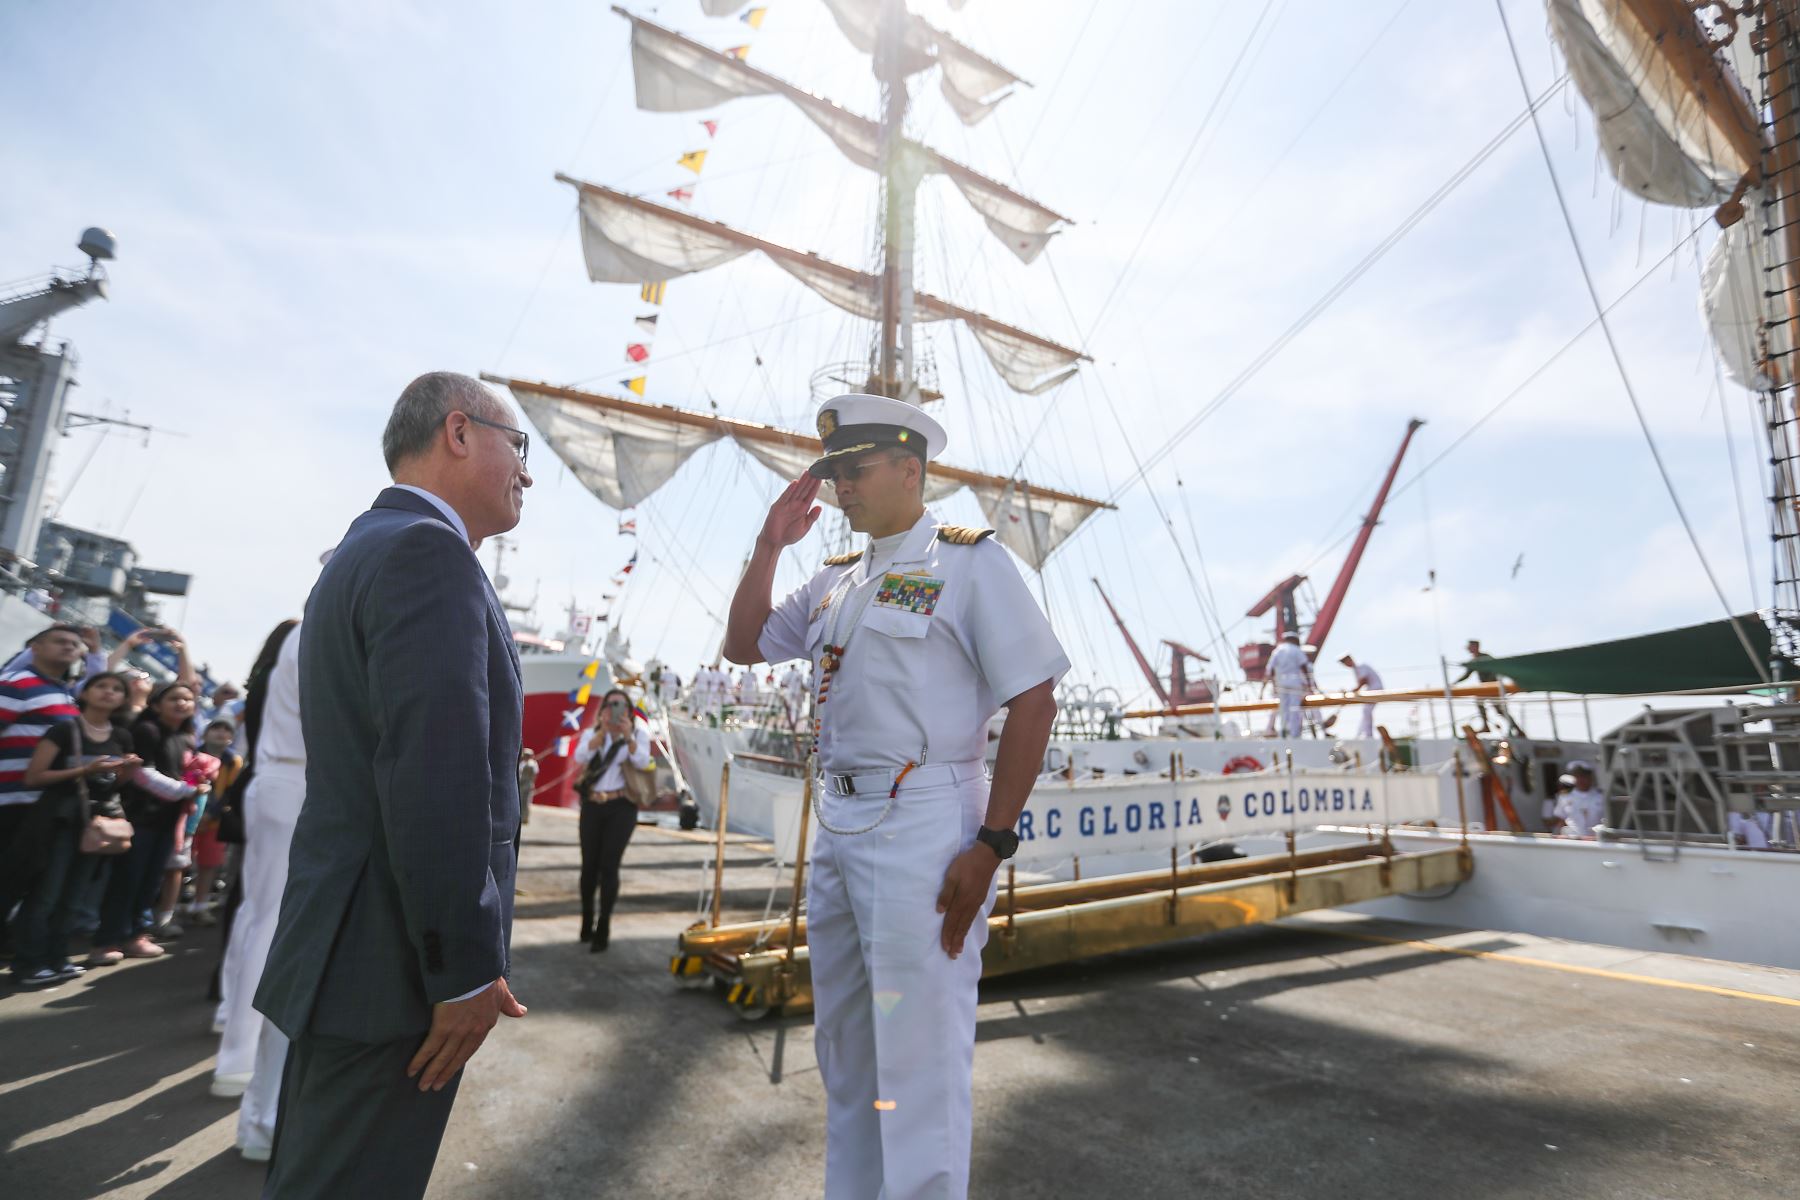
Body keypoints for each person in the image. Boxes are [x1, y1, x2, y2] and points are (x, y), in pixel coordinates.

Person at [725, 393, 1065, 1200]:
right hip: (841, 823)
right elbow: (744, 646)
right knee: (847, 1049)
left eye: (857, 469)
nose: (841, 486)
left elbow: (1036, 698)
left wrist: (991, 844)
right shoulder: (837, 578)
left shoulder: (969, 562)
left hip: (924, 822)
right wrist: (771, 543)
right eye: (835, 472)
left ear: (911, 471)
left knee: (917, 1055)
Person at [254, 371, 529, 1198]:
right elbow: (433, 778)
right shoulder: (426, 554)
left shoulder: (363, 550)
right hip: (393, 968)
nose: (524, 473)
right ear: (458, 432)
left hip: (352, 951)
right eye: (519, 447)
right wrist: (464, 970)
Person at [211, 618, 303, 1161]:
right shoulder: (318, 631)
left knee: (254, 916)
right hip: (296, 781)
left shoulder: (292, 638)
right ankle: (240, 1063)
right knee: (271, 926)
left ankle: (233, 1035)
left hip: (274, 782)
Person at [8, 672, 140, 987]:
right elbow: (34, 777)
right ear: (85, 693)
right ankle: (28, 962)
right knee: (47, 893)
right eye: (101, 686)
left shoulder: (121, 735)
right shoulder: (65, 729)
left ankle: (57, 957)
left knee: (75, 894)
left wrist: (126, 772)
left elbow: (115, 786)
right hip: (61, 821)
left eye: (116, 689)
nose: (109, 692)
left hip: (98, 824)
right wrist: (85, 769)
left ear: (123, 699)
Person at [93, 681, 207, 961]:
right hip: (140, 817)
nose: (182, 704)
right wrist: (186, 790)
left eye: (187, 699)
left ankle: (137, 935)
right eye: (174, 698)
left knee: (150, 880)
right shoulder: (146, 730)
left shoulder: (186, 737)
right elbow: (142, 775)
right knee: (127, 880)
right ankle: (107, 941)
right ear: (156, 704)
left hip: (169, 821)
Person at [572, 688, 652, 952]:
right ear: (603, 710)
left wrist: (627, 736)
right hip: (593, 805)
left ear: (629, 711)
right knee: (588, 867)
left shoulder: (638, 735)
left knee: (610, 866)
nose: (614, 710)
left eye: (620, 706)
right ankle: (586, 919)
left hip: (621, 807)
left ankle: (603, 926)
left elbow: (642, 761)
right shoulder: (594, 734)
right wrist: (602, 733)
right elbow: (579, 756)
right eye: (610, 705)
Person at [184, 718, 244, 926]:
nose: (221, 733)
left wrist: (213, 813)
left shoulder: (233, 761)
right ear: (205, 733)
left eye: (226, 730)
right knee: (181, 863)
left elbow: (230, 791)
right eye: (215, 728)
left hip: (215, 821)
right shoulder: (192, 754)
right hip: (188, 816)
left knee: (209, 864)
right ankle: (173, 906)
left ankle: (200, 906)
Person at [1266, 631, 1315, 739]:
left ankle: (1283, 733)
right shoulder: (1296, 650)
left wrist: (1274, 684)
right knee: (1294, 709)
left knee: (1283, 710)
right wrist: (1309, 684)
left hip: (1281, 684)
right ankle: (1294, 735)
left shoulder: (1277, 651)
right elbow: (1304, 667)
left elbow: (1270, 670)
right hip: (1294, 683)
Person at [1554, 760, 1607, 839]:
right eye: (1577, 776)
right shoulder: (1565, 797)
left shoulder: (1601, 796)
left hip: (1596, 840)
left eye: (1584, 776)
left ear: (1590, 777)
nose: (1581, 780)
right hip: (1573, 841)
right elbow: (1561, 820)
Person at [1338, 654, 1384, 738]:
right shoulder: (1356, 669)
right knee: (1366, 711)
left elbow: (1363, 682)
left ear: (1350, 659)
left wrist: (1349, 693)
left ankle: (1368, 735)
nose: (1346, 665)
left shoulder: (1360, 666)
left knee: (1366, 711)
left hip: (1375, 689)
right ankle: (1363, 733)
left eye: (1346, 662)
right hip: (1372, 689)